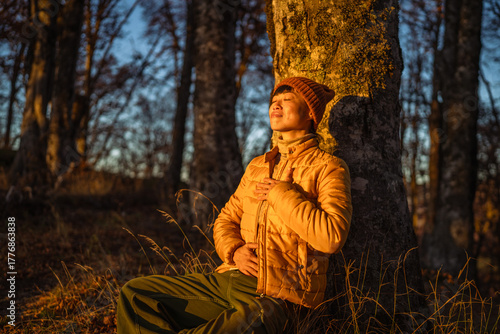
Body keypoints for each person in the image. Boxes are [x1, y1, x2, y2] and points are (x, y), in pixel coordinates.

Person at [117, 77, 352, 333]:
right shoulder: (257, 166)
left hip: (278, 297)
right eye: (274, 101)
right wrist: (234, 251)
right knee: (136, 293)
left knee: (246, 321)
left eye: (286, 101)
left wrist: (282, 193)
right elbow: (225, 221)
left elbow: (331, 236)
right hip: (227, 278)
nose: (276, 106)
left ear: (310, 113)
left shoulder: (329, 167)